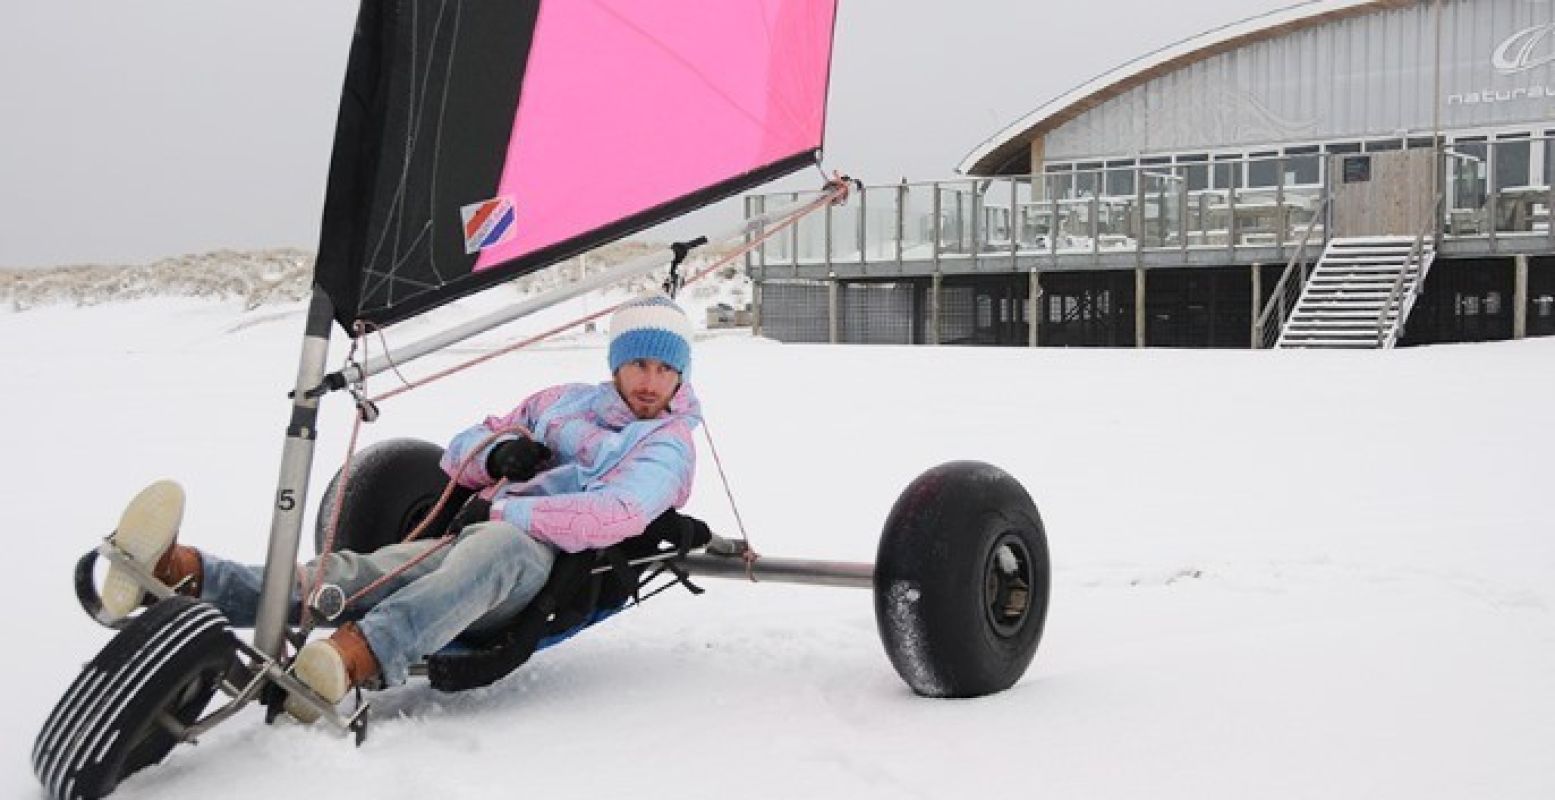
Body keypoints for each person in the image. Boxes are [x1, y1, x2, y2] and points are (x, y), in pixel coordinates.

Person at [98, 293, 702, 721]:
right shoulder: (560, 403)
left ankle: (355, 656)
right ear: (616, 364)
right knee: (359, 572)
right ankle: (188, 575)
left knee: (492, 549)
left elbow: (618, 512)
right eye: (639, 364)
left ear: (681, 377)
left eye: (665, 369)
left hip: (537, 568)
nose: (650, 382)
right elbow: (460, 450)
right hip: (471, 541)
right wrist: (495, 459)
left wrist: (504, 514)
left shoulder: (666, 446)